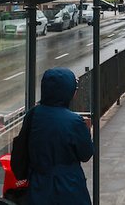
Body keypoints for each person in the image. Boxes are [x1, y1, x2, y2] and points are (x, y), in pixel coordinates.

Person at [28, 68, 94, 204]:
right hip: (68, 186)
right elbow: (85, 153)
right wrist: (86, 131)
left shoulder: (33, 114)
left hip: (39, 186)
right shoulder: (74, 121)